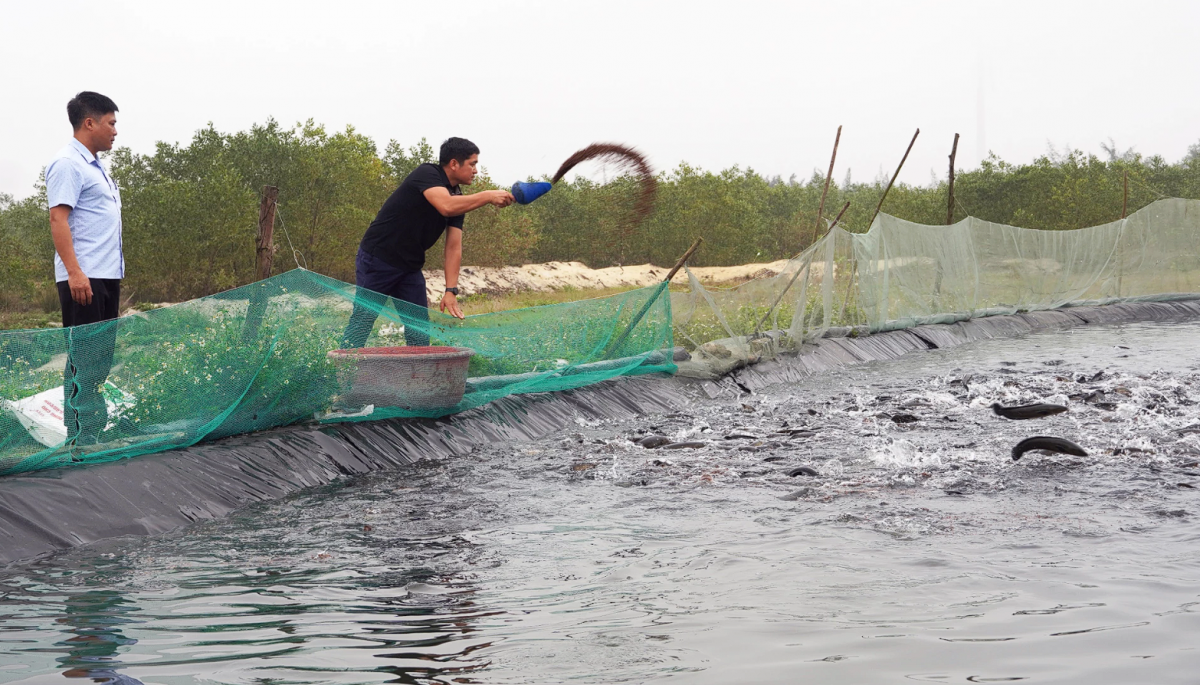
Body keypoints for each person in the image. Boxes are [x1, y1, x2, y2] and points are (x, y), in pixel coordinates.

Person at [341, 137, 514, 348]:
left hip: (410, 268)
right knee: (362, 322)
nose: (476, 170)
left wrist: (451, 290)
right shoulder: (427, 174)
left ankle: (418, 379)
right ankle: (340, 375)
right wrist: (487, 195)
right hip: (378, 259)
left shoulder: (458, 197)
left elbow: (453, 247)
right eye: (472, 164)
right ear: (453, 163)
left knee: (419, 333)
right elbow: (446, 206)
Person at [45, 92, 123, 446]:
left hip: (106, 275)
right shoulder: (67, 163)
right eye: (111, 123)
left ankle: (94, 432)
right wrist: (75, 272)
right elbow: (58, 218)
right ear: (89, 122)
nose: (115, 131)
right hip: (84, 277)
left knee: (100, 360)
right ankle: (79, 439)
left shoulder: (96, 166)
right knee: (83, 359)